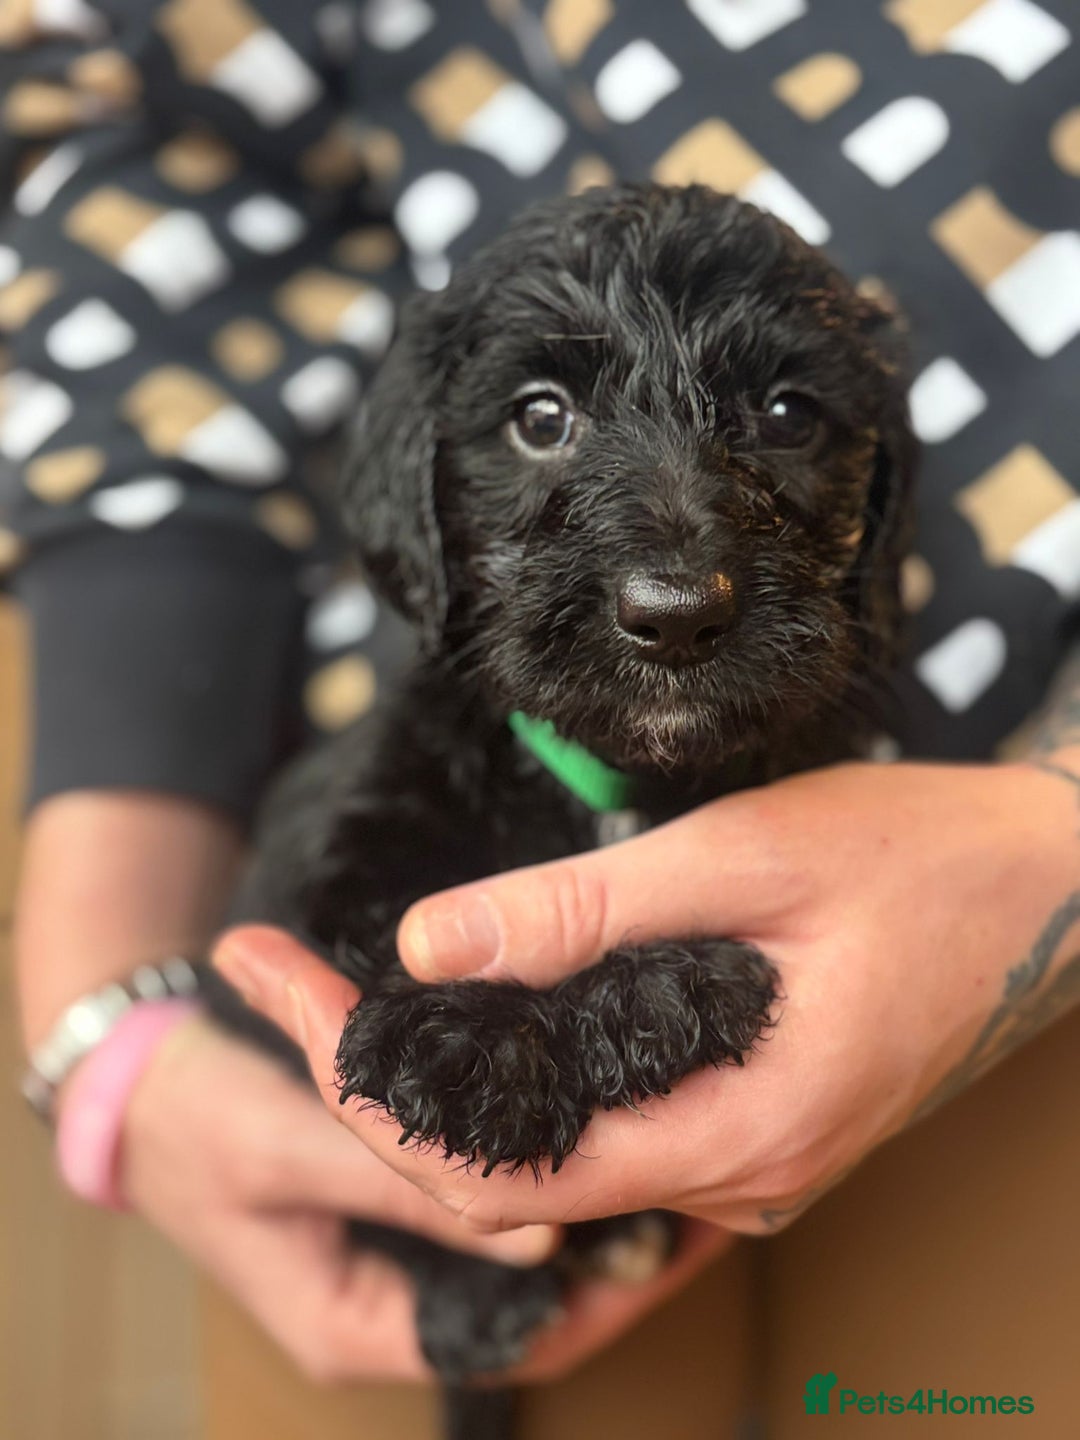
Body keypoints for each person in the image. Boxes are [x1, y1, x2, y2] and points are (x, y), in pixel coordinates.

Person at [3, 0, 1079, 1428]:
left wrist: (1054, 840)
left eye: (781, 420)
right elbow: (161, 128)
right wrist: (106, 993)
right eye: (544, 420)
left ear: (886, 498)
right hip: (318, 1074)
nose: (675, 577)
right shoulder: (402, 783)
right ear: (426, 490)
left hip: (1012, 1050)